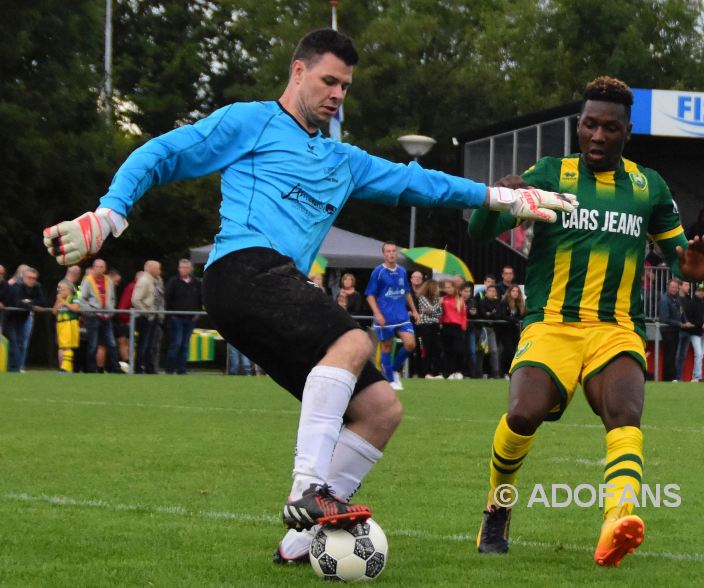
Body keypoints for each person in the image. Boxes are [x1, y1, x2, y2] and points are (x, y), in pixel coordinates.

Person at [42, 28, 576, 564]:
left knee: (380, 409)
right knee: (351, 340)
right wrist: (109, 215)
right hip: (240, 269)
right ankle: (308, 489)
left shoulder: (344, 162)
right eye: (328, 80)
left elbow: (424, 184)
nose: (337, 94)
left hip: (274, 286)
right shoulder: (251, 121)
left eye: (344, 86)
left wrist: (506, 198)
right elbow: (163, 152)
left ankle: (297, 544)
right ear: (297, 72)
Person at [468, 77, 704, 566]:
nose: (597, 136)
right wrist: (499, 197)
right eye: (589, 125)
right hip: (551, 323)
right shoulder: (551, 173)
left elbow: (679, 253)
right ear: (578, 127)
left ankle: (614, 524)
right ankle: (499, 506)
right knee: (522, 414)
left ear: (628, 133)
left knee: (624, 413)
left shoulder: (649, 186)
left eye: (610, 128)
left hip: (615, 328)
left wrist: (690, 269)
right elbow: (481, 228)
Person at [365, 242, 420, 391]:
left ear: (396, 253)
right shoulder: (378, 272)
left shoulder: (402, 271)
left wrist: (414, 310)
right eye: (388, 251)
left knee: (410, 344)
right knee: (387, 347)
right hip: (385, 316)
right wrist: (378, 314)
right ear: (384, 254)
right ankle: (390, 380)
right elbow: (370, 295)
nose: (391, 254)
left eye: (394, 251)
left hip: (401, 315)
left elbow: (407, 292)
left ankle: (394, 370)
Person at [79, 258, 122, 373]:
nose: (99, 269)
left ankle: (116, 369)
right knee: (92, 345)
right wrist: (90, 311)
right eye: (97, 267)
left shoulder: (108, 280)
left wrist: (111, 310)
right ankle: (90, 369)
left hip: (106, 317)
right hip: (93, 317)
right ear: (93, 268)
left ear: (105, 268)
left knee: (111, 344)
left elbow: (112, 298)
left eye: (102, 267)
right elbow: (82, 299)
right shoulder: (88, 280)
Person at [165, 258, 203, 375]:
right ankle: (170, 369)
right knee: (176, 343)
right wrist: (171, 315)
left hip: (191, 319)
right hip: (176, 318)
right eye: (182, 267)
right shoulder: (173, 282)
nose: (184, 270)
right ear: (178, 268)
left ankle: (182, 369)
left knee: (185, 345)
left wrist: (198, 313)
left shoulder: (196, 282)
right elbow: (167, 298)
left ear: (190, 269)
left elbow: (200, 298)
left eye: (186, 267)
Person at [5, 266, 46, 372]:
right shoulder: (16, 286)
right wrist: (32, 306)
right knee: (14, 343)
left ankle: (17, 368)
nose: (32, 280)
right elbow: (17, 302)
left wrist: (27, 302)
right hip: (10, 318)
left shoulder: (37, 286)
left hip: (23, 318)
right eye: (29, 278)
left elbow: (42, 301)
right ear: (23, 277)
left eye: (34, 278)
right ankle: (13, 369)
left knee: (21, 343)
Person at [132, 260, 164, 374]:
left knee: (152, 343)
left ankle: (150, 367)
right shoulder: (144, 281)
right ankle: (138, 367)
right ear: (151, 269)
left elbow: (160, 297)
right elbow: (136, 299)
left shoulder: (158, 281)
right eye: (158, 268)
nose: (160, 271)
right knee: (143, 343)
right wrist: (146, 312)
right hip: (145, 317)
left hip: (155, 316)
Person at [415, 279, 444, 379]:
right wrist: (437, 305)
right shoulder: (422, 298)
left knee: (437, 349)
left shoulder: (436, 299)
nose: (438, 290)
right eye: (436, 287)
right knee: (425, 349)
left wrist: (432, 310)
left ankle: (434, 372)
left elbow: (438, 313)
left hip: (435, 326)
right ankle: (425, 372)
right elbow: (431, 310)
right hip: (425, 326)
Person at [684, 283, 704, 382]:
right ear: (695, 291)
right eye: (699, 291)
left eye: (703, 291)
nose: (701, 292)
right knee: (699, 354)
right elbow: (689, 319)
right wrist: (701, 324)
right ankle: (697, 376)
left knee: (701, 355)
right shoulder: (691, 303)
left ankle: (697, 376)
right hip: (695, 332)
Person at [439, 279, 466, 379]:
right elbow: (440, 314)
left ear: (454, 288)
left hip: (457, 327)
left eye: (449, 287)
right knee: (447, 351)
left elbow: (463, 315)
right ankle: (448, 372)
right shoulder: (443, 299)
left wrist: (463, 327)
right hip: (446, 326)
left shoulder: (460, 299)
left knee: (458, 350)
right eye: (446, 287)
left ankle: (458, 371)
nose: (447, 289)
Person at [52, 280, 81, 372]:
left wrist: (65, 303)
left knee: (67, 347)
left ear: (69, 290)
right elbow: (54, 311)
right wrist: (58, 302)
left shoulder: (74, 297)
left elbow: (76, 308)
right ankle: (64, 367)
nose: (60, 291)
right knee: (63, 346)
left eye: (63, 289)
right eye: (59, 289)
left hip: (70, 323)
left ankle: (66, 368)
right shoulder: (59, 299)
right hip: (61, 324)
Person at [658, 278, 682, 382]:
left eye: (676, 287)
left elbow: (681, 311)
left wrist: (684, 322)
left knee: (672, 353)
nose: (674, 289)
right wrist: (679, 323)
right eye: (672, 287)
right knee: (670, 354)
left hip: (675, 330)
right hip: (667, 330)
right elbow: (664, 318)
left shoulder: (677, 299)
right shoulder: (664, 299)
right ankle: (671, 377)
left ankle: (667, 378)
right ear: (668, 287)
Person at [477, 284, 502, 379]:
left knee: (494, 351)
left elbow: (498, 315)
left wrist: (490, 313)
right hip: (483, 329)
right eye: (490, 291)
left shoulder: (498, 302)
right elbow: (483, 314)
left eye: (494, 291)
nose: (492, 293)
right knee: (481, 351)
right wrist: (493, 313)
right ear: (486, 292)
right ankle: (478, 372)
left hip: (492, 329)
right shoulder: (482, 302)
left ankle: (495, 373)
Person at [674, 280, 693, 381]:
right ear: (680, 286)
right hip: (679, 329)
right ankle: (676, 377)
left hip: (688, 330)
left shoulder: (689, 299)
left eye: (688, 285)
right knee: (677, 355)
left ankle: (679, 377)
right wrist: (685, 322)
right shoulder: (677, 298)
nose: (688, 287)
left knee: (683, 356)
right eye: (686, 285)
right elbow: (681, 311)